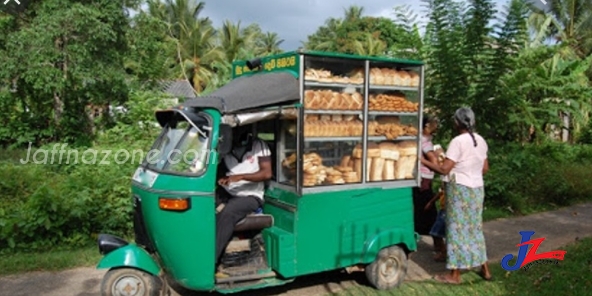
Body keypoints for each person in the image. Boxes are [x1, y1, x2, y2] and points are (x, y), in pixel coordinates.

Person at [421, 107, 492, 284]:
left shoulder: (458, 142)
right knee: (474, 228)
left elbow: (444, 169)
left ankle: (454, 275)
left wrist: (421, 160)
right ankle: (485, 270)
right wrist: (470, 171)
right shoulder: (481, 141)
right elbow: (484, 168)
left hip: (459, 189)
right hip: (476, 190)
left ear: (457, 123)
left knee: (456, 230)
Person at [215, 124, 272, 277]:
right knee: (201, 205)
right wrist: (222, 178)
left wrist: (240, 177)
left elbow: (266, 173)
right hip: (228, 193)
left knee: (228, 213)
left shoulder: (259, 146)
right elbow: (220, 171)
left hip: (250, 196)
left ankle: (212, 262)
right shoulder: (225, 150)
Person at [413, 115, 440, 241]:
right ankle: (436, 237)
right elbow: (433, 160)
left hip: (418, 176)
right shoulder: (425, 142)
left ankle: (420, 231)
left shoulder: (417, 139)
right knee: (428, 207)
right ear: (426, 126)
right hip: (425, 177)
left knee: (419, 206)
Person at [425, 145, 447, 262]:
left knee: (436, 232)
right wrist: (431, 202)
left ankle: (444, 253)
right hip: (444, 207)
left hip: (447, 209)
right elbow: (441, 192)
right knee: (438, 232)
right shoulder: (444, 175)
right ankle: (443, 251)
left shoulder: (447, 172)